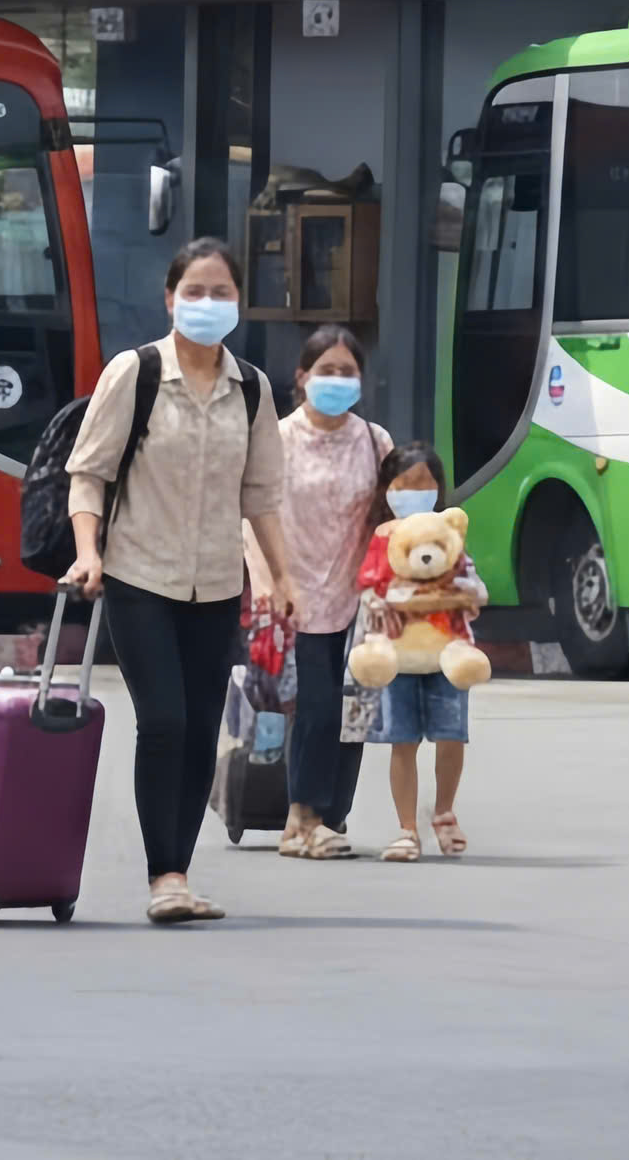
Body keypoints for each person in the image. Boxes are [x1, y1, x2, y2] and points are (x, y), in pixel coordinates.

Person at [66, 237, 296, 925]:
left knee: (199, 732)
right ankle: (161, 873)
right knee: (164, 720)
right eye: (194, 291)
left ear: (239, 302)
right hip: (138, 575)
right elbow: (89, 473)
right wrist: (88, 553)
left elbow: (261, 497)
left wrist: (282, 576)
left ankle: (180, 874)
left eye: (221, 292)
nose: (207, 303)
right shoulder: (134, 374)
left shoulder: (251, 389)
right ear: (169, 299)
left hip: (217, 585)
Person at [262, 324, 391, 861]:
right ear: (302, 377)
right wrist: (270, 584)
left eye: (347, 371)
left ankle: (331, 816)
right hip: (298, 594)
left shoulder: (375, 441)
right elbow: (256, 516)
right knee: (315, 708)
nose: (337, 380)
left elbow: (392, 513)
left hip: (360, 599)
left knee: (353, 709)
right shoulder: (277, 439)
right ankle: (301, 818)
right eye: (326, 370)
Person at [360, 444, 486, 863]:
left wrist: (465, 594)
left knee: (452, 735)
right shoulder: (382, 539)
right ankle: (406, 830)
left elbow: (474, 585)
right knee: (403, 741)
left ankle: (444, 812)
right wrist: (378, 606)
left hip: (448, 651)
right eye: (405, 484)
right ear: (388, 488)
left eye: (424, 483)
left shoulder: (447, 535)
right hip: (397, 656)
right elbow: (367, 588)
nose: (414, 492)